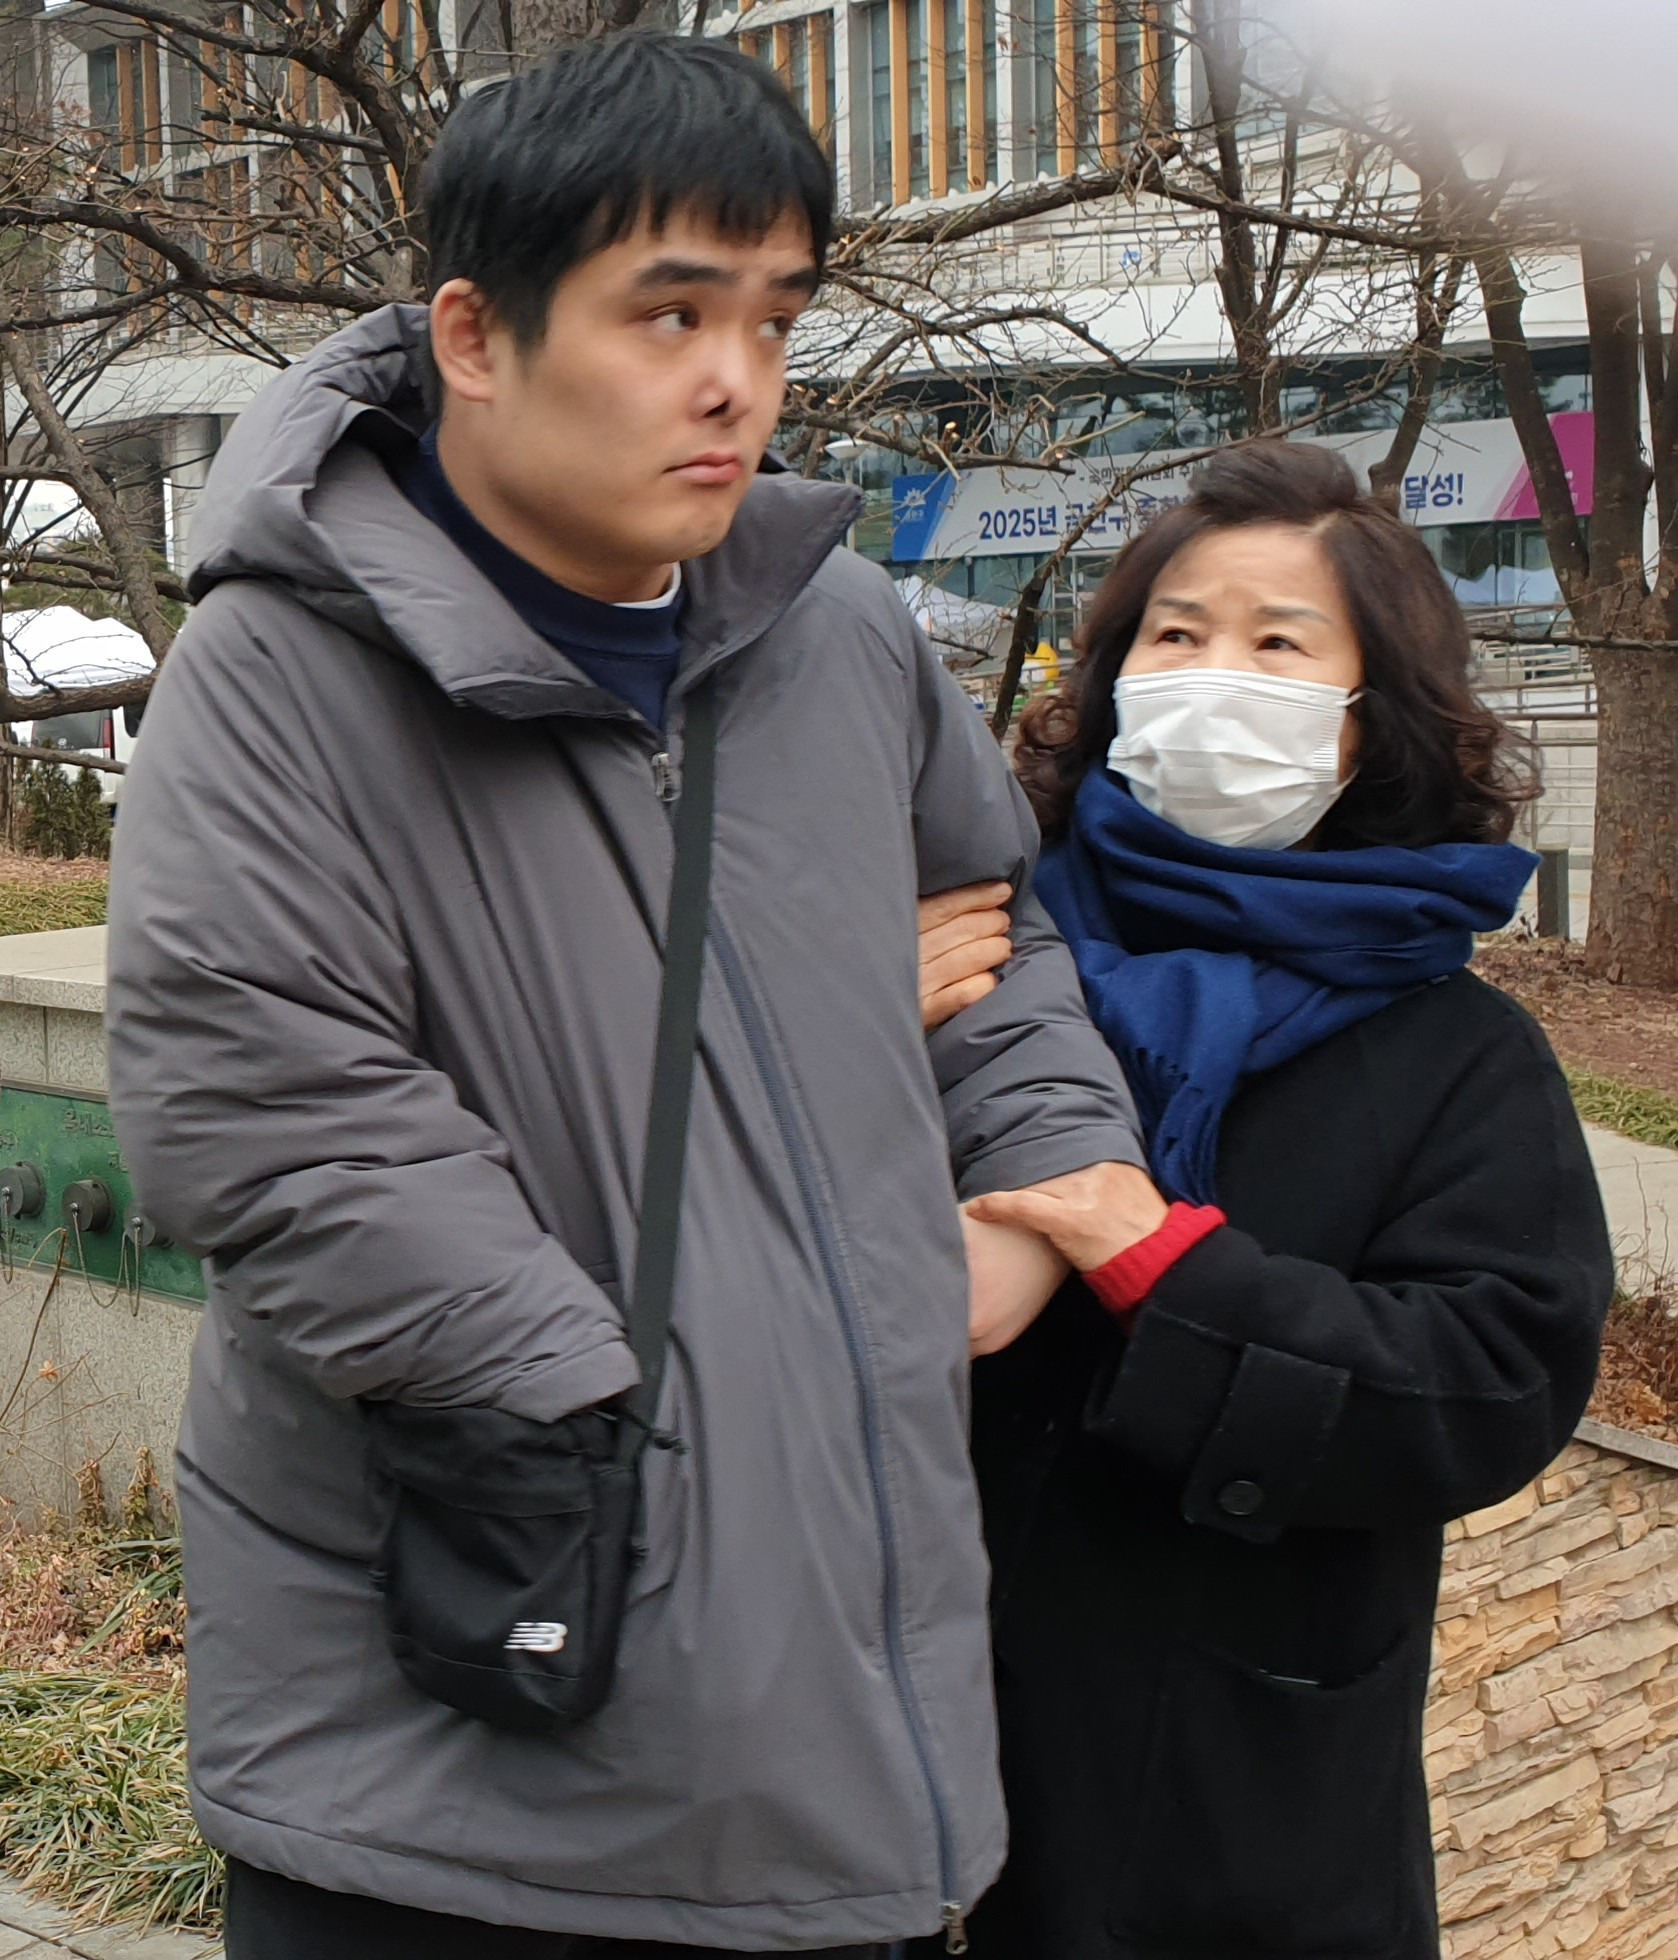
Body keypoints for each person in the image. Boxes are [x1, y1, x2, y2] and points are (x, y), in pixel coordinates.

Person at [105, 35, 1147, 1960]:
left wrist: (1024, 1201)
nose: (735, 378)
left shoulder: (838, 633)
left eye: (773, 316)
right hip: (462, 1758)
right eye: (669, 313)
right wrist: (618, 1405)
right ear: (475, 337)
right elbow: (265, 1108)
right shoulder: (285, 669)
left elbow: (1001, 945)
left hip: (846, 1734)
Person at [918, 439, 1615, 1960]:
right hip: (892, 1756)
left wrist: (1161, 1263)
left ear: (1372, 722)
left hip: (1230, 1813)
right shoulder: (973, 953)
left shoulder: (1452, 1052)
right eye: (1173, 633)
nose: (1209, 674)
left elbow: (1490, 1383)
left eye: (1278, 644)